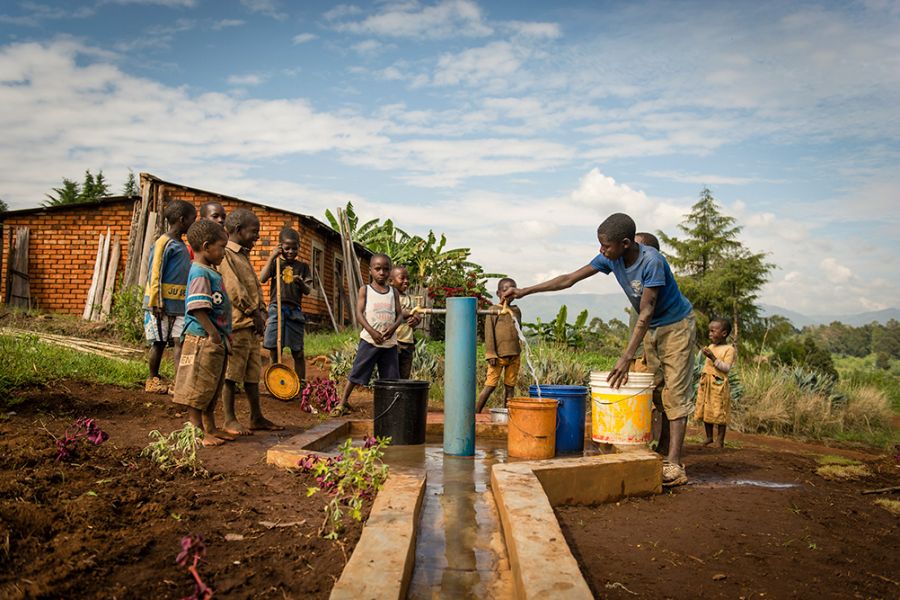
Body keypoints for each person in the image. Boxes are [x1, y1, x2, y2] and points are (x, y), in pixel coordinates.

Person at [502, 213, 696, 487]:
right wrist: (525, 291)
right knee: (658, 390)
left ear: (625, 243)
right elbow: (569, 279)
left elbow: (646, 312)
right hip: (651, 328)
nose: (601, 251)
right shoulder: (611, 258)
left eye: (605, 246)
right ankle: (661, 452)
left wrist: (626, 357)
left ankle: (675, 465)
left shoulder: (652, 262)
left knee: (675, 390)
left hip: (675, 325)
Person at [217, 208, 282, 434]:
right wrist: (254, 312)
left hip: (252, 325)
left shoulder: (242, 254)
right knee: (232, 374)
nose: (257, 236)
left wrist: (262, 314)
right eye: (254, 231)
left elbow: (254, 287)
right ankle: (229, 419)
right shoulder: (225, 255)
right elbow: (234, 290)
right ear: (237, 230)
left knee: (252, 373)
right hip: (238, 324)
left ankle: (256, 416)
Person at [172, 219, 234, 446]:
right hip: (201, 339)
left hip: (213, 340)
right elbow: (197, 307)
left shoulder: (210, 271)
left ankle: (211, 427)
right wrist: (213, 334)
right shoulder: (199, 272)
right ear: (207, 246)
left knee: (211, 385)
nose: (224, 253)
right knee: (198, 384)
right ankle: (196, 431)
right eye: (221, 247)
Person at [336, 254, 403, 415]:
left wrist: (393, 328)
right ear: (370, 270)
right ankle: (342, 402)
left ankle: (392, 409)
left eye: (386, 269)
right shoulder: (365, 290)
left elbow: (400, 314)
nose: (382, 273)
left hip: (389, 343)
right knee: (357, 371)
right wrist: (372, 332)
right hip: (369, 340)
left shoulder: (393, 292)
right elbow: (359, 314)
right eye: (378, 269)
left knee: (392, 377)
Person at [143, 200, 196, 394]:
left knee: (179, 342)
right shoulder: (163, 243)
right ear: (182, 220)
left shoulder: (182, 244)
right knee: (159, 342)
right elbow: (154, 271)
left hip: (180, 305)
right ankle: (152, 379)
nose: (194, 224)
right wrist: (156, 301)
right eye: (193, 220)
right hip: (161, 305)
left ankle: (179, 383)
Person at [260, 227, 312, 385]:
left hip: (294, 312)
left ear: (299, 247)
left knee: (298, 351)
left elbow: (308, 290)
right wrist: (271, 257)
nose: (290, 251)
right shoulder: (276, 263)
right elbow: (262, 278)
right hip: (276, 310)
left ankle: (301, 383)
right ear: (280, 246)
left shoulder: (303, 267)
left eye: (294, 248)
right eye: (287, 248)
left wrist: (300, 282)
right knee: (275, 349)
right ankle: (275, 382)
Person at [476, 278, 523, 414]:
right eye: (505, 290)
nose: (508, 294)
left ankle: (507, 415)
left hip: (514, 354)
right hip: (498, 356)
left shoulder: (516, 311)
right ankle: (476, 412)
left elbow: (519, 329)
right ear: (498, 293)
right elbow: (489, 333)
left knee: (510, 386)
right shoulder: (493, 310)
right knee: (490, 385)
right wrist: (491, 353)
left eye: (512, 291)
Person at [693, 318, 736, 448]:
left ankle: (720, 440)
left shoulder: (729, 349)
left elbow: (726, 368)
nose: (710, 334)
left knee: (719, 411)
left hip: (718, 385)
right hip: (706, 384)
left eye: (713, 331)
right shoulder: (711, 346)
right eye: (709, 331)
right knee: (707, 409)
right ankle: (709, 437)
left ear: (723, 333)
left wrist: (712, 357)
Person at [390, 266, 420, 379]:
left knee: (404, 375)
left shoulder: (410, 299)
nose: (406, 281)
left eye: (407, 278)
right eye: (402, 278)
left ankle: (402, 395)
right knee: (392, 374)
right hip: (393, 341)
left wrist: (415, 319)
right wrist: (407, 313)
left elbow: (417, 313)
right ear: (391, 281)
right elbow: (392, 313)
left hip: (407, 343)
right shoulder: (389, 297)